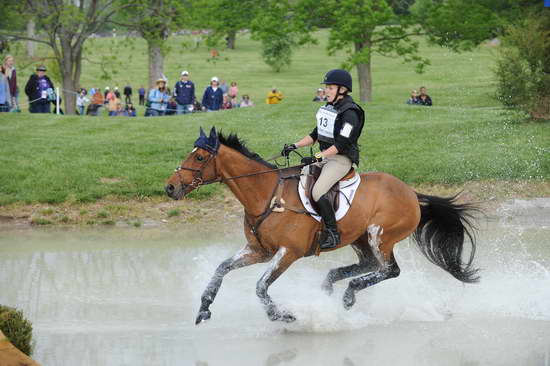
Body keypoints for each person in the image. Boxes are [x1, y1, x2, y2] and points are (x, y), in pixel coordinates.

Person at [281, 69, 365, 250]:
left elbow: (342, 144)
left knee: (318, 191)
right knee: (296, 177)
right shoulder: (329, 109)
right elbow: (315, 135)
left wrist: (317, 157)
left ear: (342, 90)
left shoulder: (350, 113)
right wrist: (294, 145)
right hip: (326, 157)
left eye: (330, 87)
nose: (326, 91)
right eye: (326, 87)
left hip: (340, 159)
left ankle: (333, 233)